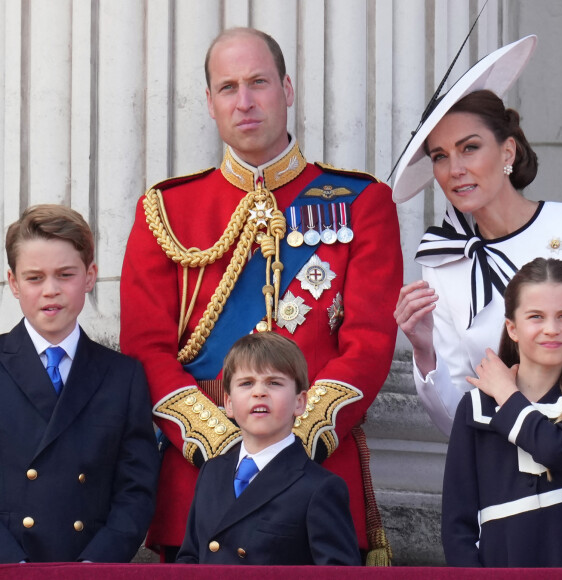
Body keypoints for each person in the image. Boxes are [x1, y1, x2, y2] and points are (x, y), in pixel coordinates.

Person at [120, 27, 402, 564]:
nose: (244, 101)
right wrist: (223, 443)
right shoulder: (166, 210)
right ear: (209, 102)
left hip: (317, 476)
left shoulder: (361, 201)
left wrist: (289, 442)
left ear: (288, 90)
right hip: (200, 486)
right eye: (228, 88)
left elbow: (369, 340)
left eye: (259, 83)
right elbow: (144, 347)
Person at [392, 35, 562, 436]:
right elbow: (455, 420)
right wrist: (424, 352)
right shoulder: (443, 264)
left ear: (507, 152)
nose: (453, 169)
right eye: (440, 156)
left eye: (469, 148)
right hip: (507, 475)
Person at [0, 204, 159, 563]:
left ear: (89, 277)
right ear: (13, 283)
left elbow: (136, 488)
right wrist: (12, 566)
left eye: (65, 274)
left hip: (90, 564)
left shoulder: (123, 376)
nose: (51, 290)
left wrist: (94, 565)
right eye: (34, 277)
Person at [175, 332, 361, 565]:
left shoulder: (320, 488)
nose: (259, 392)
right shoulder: (211, 473)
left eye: (274, 383)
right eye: (246, 383)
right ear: (229, 404)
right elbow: (190, 558)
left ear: (300, 402)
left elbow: (338, 573)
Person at [442, 257, 562, 566]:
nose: (551, 329)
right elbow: (457, 526)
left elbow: (554, 449)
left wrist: (507, 393)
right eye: (536, 316)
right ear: (512, 328)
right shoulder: (476, 408)